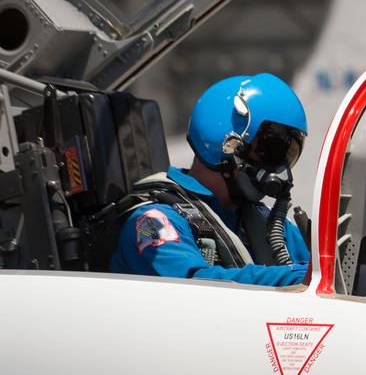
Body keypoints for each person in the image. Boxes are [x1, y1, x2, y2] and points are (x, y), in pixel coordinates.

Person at [109, 73, 310, 286]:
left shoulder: (269, 224)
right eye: (269, 149)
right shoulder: (152, 222)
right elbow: (193, 287)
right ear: (226, 142)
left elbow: (324, 271)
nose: (278, 169)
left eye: (286, 154)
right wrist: (299, 277)